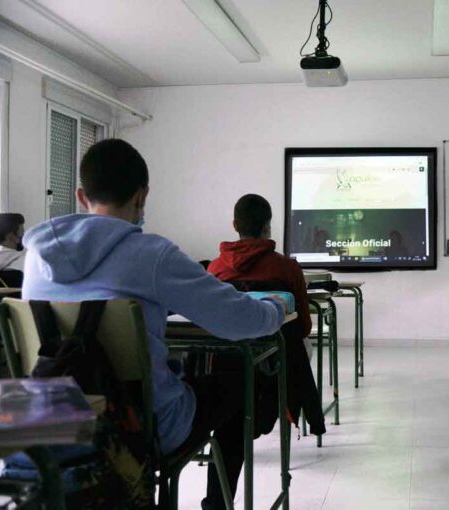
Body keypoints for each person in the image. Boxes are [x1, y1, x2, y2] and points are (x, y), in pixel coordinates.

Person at [22, 139, 287, 509]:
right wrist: (276, 308)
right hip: (139, 427)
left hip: (50, 420)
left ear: (82, 195)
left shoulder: (36, 256)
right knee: (238, 378)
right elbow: (238, 323)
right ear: (142, 195)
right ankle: (217, 503)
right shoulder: (153, 255)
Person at [207, 194, 326, 436]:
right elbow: (303, 327)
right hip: (278, 358)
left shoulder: (215, 269)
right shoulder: (288, 269)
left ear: (235, 225)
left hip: (228, 362)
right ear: (267, 228)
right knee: (301, 346)